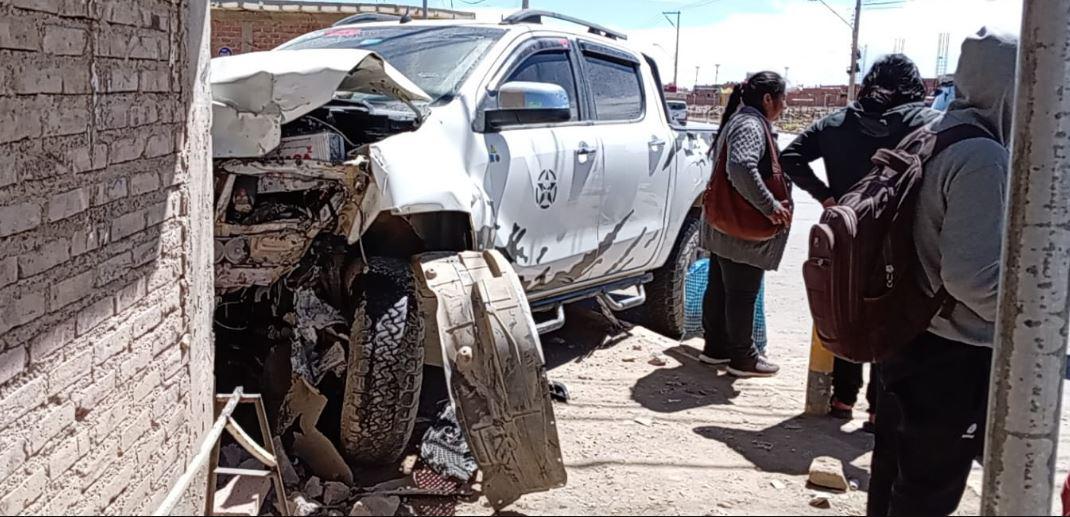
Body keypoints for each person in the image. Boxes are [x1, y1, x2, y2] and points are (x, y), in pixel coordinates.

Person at [867, 28, 1016, 516]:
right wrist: (1038, 319)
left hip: (906, 333)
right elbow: (972, 278)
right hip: (953, 354)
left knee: (894, 475)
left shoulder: (933, 131)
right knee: (927, 493)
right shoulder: (984, 158)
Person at [781, 55, 941, 425]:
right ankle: (878, 409)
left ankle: (842, 400)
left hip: (846, 238)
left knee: (845, 311)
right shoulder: (926, 124)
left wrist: (827, 197)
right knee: (892, 318)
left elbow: (791, 156)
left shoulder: (837, 122)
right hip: (900, 241)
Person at [700, 71, 790, 378]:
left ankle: (715, 349)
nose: (785, 106)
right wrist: (770, 206)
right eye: (782, 99)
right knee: (741, 293)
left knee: (721, 287)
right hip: (743, 227)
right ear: (768, 99)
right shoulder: (752, 124)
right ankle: (743, 358)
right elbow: (740, 166)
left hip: (725, 223)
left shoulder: (740, 120)